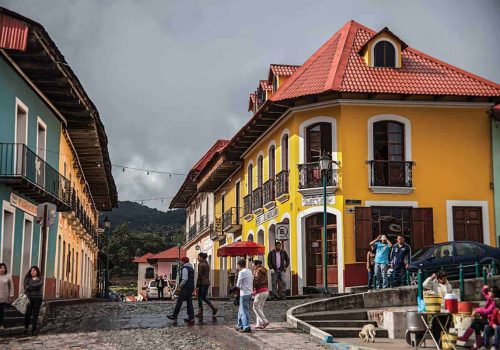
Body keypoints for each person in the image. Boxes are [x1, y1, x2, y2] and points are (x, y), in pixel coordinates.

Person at [167, 257, 195, 324]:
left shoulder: (185, 268)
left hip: (185, 287)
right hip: (190, 287)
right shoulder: (191, 268)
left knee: (179, 302)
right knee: (189, 302)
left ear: (183, 261)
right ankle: (191, 317)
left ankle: (174, 315)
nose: (180, 262)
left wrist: (180, 285)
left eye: (181, 261)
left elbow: (184, 279)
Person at [195, 252, 217, 319]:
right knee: (204, 297)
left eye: (198, 257)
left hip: (202, 283)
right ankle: (213, 308)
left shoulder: (201, 264)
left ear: (201, 257)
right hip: (207, 283)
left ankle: (200, 313)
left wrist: (197, 285)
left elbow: (200, 275)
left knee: (199, 298)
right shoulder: (207, 264)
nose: (197, 258)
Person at [24, 266, 43, 336]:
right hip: (29, 298)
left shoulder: (40, 279)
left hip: (38, 298)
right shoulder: (27, 279)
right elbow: (25, 288)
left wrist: (30, 286)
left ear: (37, 271)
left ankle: (34, 329)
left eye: (34, 270)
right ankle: (26, 328)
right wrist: (34, 286)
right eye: (32, 270)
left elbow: (40, 284)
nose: (33, 272)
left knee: (36, 314)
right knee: (28, 314)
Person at [235, 259, 253, 333]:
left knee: (244, 310)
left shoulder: (241, 272)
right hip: (249, 292)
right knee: (240, 310)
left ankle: (246, 326)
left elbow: (238, 285)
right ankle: (239, 325)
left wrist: (234, 289)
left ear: (239, 265)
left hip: (244, 293)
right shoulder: (249, 271)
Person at [252, 260, 269, 329]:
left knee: (255, 307)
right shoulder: (264, 270)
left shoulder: (258, 271)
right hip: (265, 290)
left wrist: (252, 288)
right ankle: (259, 323)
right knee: (260, 307)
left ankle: (265, 321)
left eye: (254, 266)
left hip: (260, 291)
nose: (253, 267)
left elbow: (256, 281)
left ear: (258, 264)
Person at [0, 263, 13, 330]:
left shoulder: (8, 276)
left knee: (2, 312)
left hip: (4, 298)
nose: (2, 269)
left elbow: (11, 287)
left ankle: (1, 325)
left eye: (3, 268)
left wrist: (11, 295)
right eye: (1, 268)